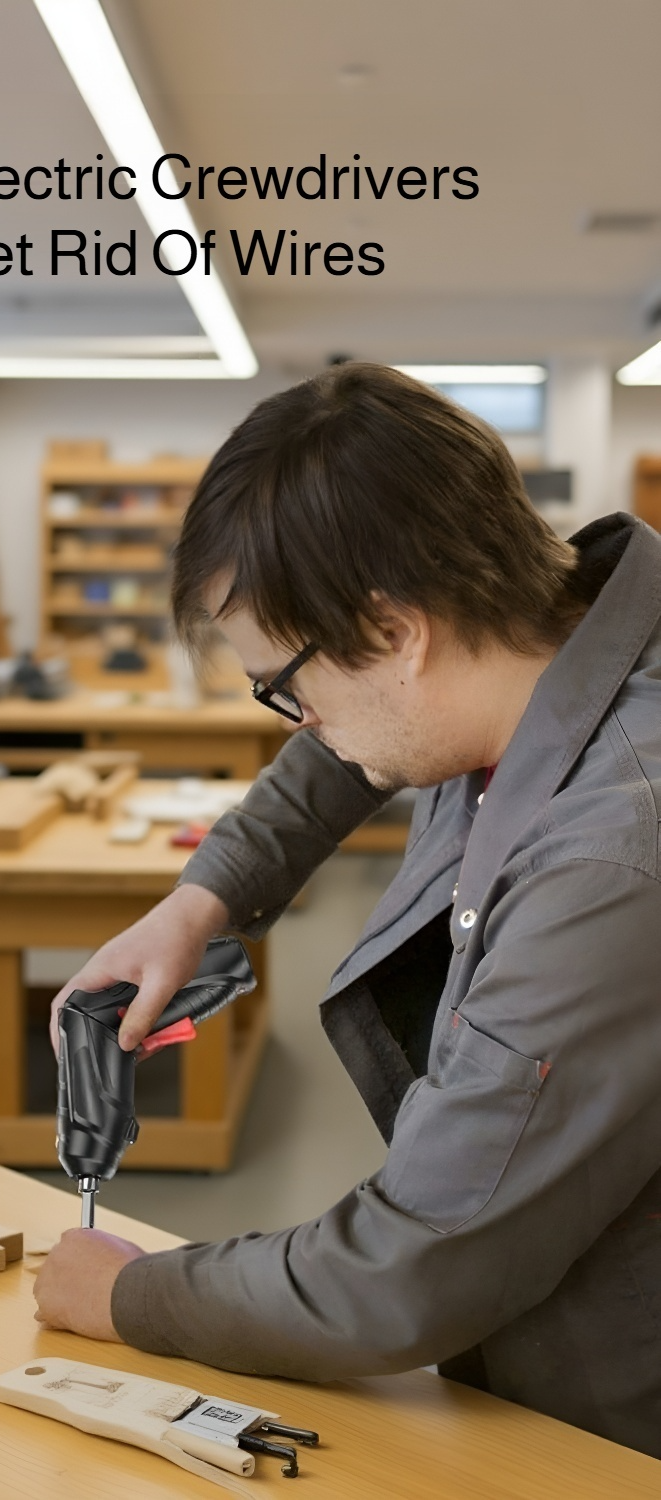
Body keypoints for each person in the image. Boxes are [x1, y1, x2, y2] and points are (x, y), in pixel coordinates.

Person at [35, 363, 661, 1459]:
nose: (301, 723)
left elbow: (418, 1261)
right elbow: (343, 755)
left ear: (395, 631)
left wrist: (129, 1297)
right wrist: (204, 897)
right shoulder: (541, 637)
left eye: (286, 685)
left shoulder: (612, 856)